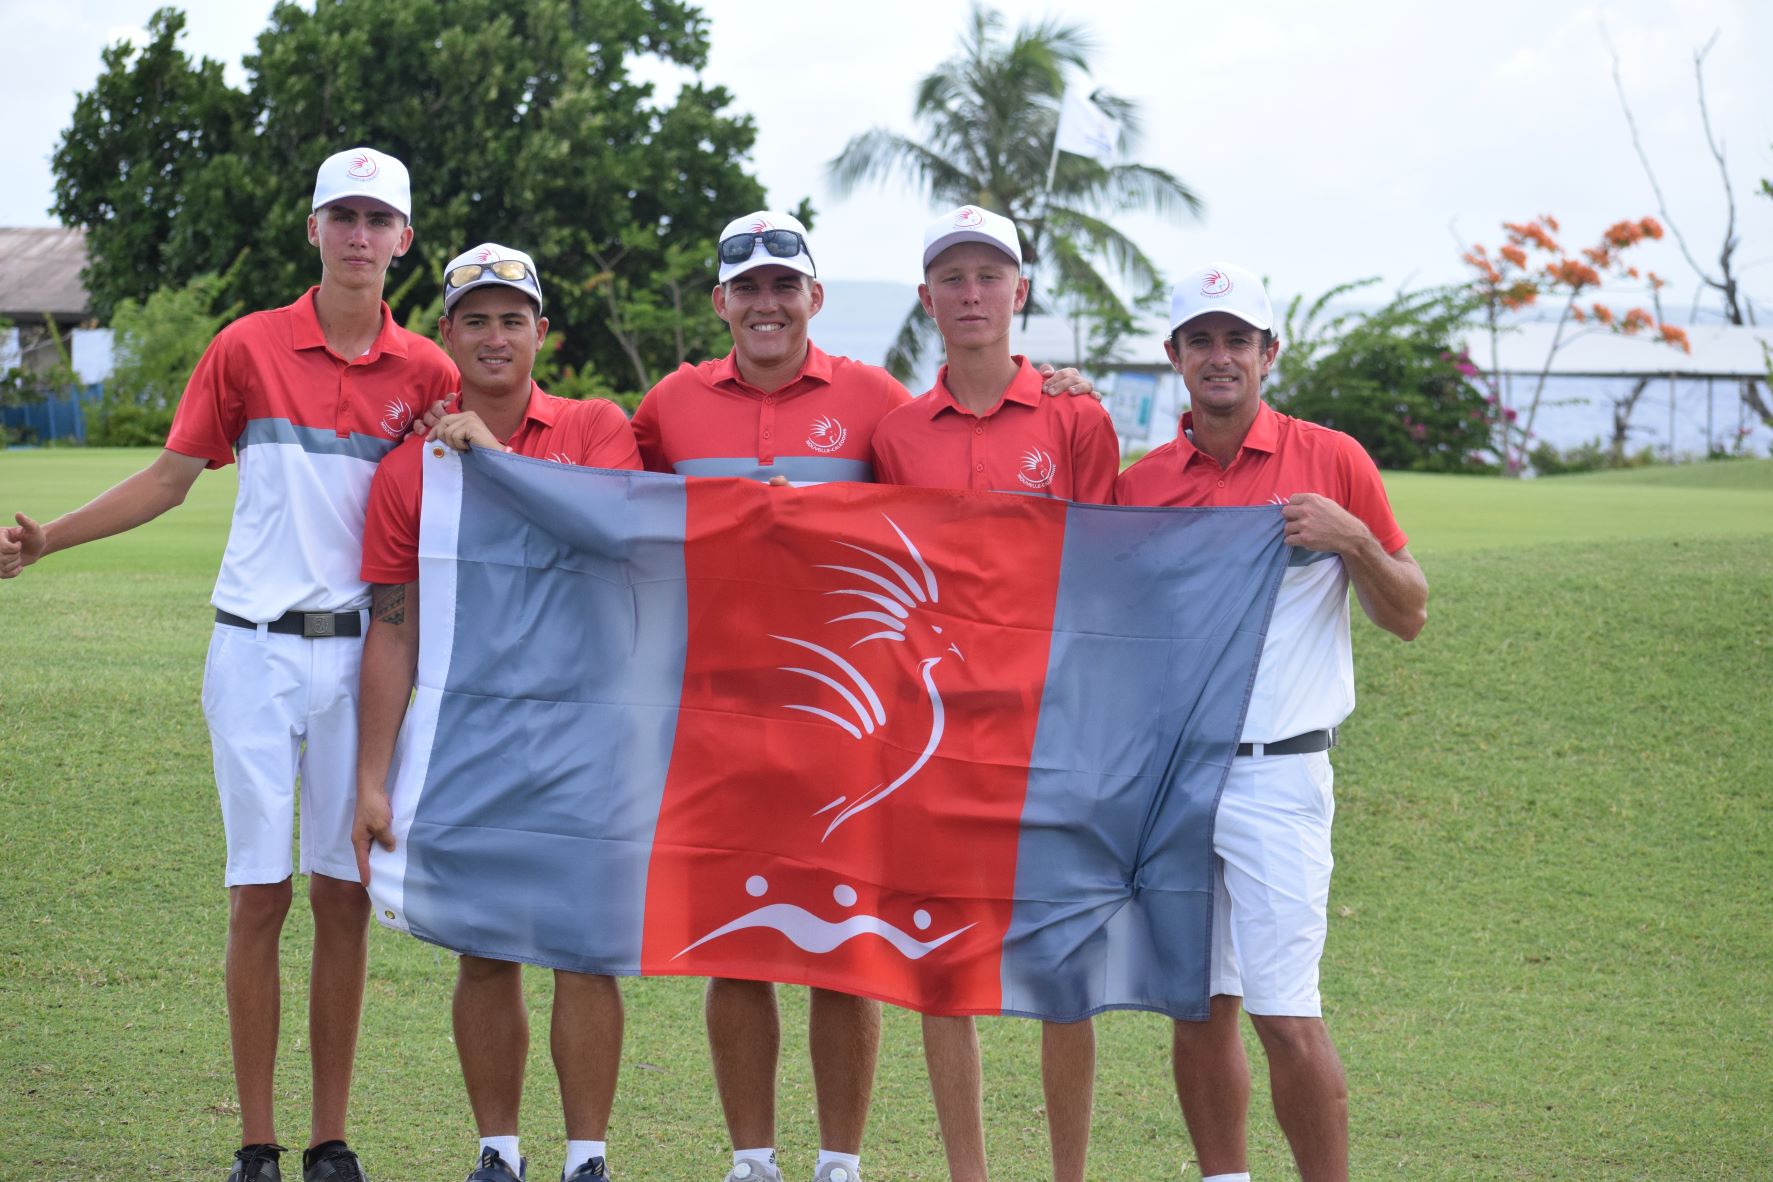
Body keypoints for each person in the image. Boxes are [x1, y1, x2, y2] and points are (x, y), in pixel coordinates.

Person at [0, 148, 456, 1182]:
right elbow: (170, 478)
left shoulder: (428, 371)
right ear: (312, 229)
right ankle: (256, 1141)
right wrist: (48, 543)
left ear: (402, 241)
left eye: (376, 219)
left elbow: (469, 478)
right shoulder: (248, 348)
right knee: (259, 895)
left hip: (360, 665)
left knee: (346, 897)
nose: (357, 234)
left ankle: (329, 1138)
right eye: (340, 213)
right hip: (251, 655)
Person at [630, 210, 1097, 1182]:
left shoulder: (880, 406)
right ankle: (755, 1162)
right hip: (733, 710)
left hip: (886, 725)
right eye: (746, 288)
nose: (766, 304)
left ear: (815, 297)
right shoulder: (674, 405)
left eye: (783, 285)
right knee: (746, 942)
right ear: (720, 301)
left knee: (857, 940)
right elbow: (606, 494)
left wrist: (1067, 391)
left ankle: (842, 1164)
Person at [1114, 262, 1428, 1182]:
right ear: (1173, 355)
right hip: (1175, 781)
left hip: (1277, 775)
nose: (1220, 357)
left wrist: (1355, 540)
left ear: (1268, 353)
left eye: (1238, 340)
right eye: (1201, 340)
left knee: (1285, 1014)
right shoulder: (1139, 488)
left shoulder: (1331, 460)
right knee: (1196, 1006)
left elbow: (1407, 613)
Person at [352, 243, 640, 1182]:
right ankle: (497, 1151)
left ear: (541, 333)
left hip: (586, 731)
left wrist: (499, 458)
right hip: (467, 732)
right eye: (474, 318)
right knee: (481, 951)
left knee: (583, 953)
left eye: (512, 318)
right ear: (447, 335)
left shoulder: (596, 426)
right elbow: (391, 630)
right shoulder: (409, 470)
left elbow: (613, 533)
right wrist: (370, 776)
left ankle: (587, 1157)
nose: (493, 335)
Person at [868, 205, 1117, 1182]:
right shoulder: (895, 433)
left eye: (989, 278)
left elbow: (1107, 575)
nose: (971, 295)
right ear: (928, 298)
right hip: (935, 736)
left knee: (1065, 975)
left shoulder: (1076, 416)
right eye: (952, 279)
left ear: (1020, 293)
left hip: (1051, 730)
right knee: (944, 972)